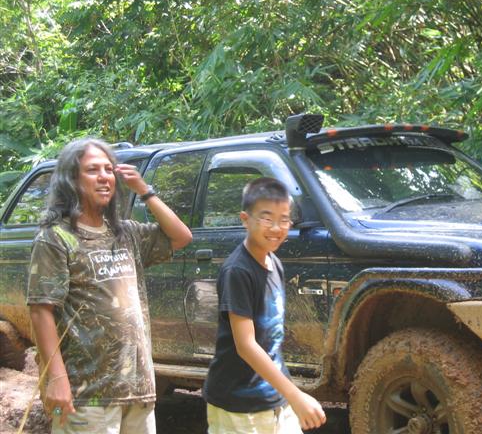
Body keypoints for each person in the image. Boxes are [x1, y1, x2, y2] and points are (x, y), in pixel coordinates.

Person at [27, 138, 192, 433]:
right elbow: (41, 310)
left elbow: (181, 237)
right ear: (71, 180)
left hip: (137, 389)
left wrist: (145, 191)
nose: (104, 176)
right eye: (92, 170)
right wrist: (56, 378)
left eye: (108, 169)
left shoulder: (125, 233)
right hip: (86, 393)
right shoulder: (56, 238)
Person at [202, 177, 326, 433]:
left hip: (274, 398)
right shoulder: (238, 271)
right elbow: (246, 345)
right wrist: (296, 396)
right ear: (245, 219)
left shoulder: (274, 262)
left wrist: (288, 394)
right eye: (267, 219)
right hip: (238, 406)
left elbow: (272, 343)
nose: (277, 228)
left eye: (284, 219)